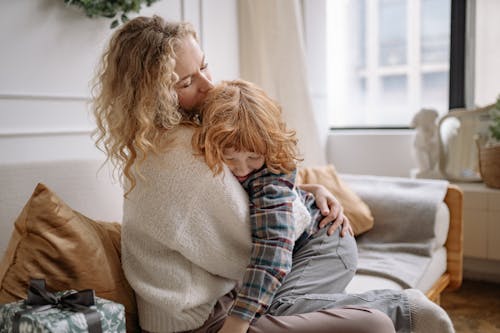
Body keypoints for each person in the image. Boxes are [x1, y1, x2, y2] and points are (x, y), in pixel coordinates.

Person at [92, 15, 454, 333]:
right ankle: (399, 308)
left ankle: (401, 310)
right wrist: (303, 198)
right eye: (186, 83)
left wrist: (303, 189)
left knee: (296, 293)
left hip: (222, 296)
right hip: (197, 316)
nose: (207, 85)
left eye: (205, 66)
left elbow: (259, 209)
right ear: (151, 97)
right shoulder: (180, 154)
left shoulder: (176, 138)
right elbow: (256, 247)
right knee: (367, 321)